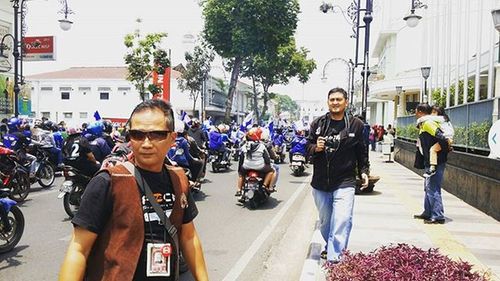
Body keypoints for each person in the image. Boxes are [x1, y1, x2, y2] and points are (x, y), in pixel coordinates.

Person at [59, 99, 208, 281]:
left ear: (172, 139)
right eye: (137, 134)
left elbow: (188, 237)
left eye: (156, 134)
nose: (146, 143)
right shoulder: (108, 181)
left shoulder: (179, 178)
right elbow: (78, 249)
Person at [306, 87, 369, 263]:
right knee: (326, 221)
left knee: (342, 219)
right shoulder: (318, 124)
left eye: (338, 99)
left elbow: (362, 151)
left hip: (345, 180)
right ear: (328, 102)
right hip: (320, 182)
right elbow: (306, 147)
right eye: (332, 99)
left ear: (346, 102)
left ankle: (335, 258)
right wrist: (316, 148)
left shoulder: (356, 124)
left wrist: (364, 171)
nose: (335, 102)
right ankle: (330, 246)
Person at [413, 103, 450, 225]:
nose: (414, 113)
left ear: (420, 112)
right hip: (430, 161)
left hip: (436, 161)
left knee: (433, 187)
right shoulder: (424, 123)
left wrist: (436, 153)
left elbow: (442, 138)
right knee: (428, 187)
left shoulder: (428, 123)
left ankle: (438, 215)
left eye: (415, 111)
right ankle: (428, 212)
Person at [235, 127, 275, 200]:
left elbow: (241, 159)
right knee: (271, 171)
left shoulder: (244, 146)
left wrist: (240, 170)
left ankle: (239, 190)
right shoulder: (261, 146)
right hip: (260, 167)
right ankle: (264, 185)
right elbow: (267, 159)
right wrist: (268, 165)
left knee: (241, 175)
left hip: (246, 167)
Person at [417, 106, 454, 177]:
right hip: (448, 138)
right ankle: (432, 168)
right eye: (431, 112)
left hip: (446, 138)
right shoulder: (444, 119)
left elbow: (428, 118)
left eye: (434, 112)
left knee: (433, 150)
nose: (432, 115)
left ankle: (432, 168)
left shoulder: (441, 118)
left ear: (439, 113)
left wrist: (419, 120)